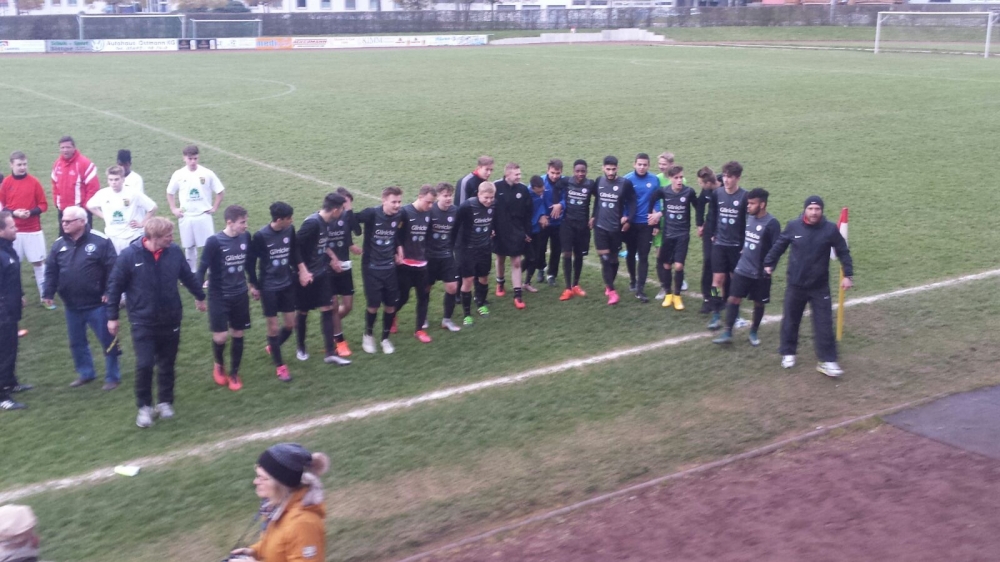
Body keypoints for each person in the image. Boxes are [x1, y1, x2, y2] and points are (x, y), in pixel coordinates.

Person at [106, 217, 207, 428]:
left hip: (171, 317)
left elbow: (187, 276)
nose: (172, 238)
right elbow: (115, 287)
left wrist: (200, 296)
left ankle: (164, 402)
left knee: (167, 363)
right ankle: (144, 407)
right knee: (144, 364)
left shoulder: (174, 252)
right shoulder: (129, 256)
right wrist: (112, 316)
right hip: (142, 320)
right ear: (153, 237)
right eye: (168, 236)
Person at [764, 196, 854, 378]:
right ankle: (788, 353)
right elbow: (780, 245)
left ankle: (828, 360)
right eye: (811, 209)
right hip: (795, 284)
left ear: (821, 211)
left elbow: (843, 251)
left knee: (824, 323)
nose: (814, 212)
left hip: (819, 287)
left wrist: (848, 275)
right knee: (790, 320)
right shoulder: (793, 226)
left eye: (817, 209)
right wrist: (769, 263)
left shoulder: (830, 229)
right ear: (805, 210)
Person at [42, 206, 121, 390]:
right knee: (76, 342)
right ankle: (86, 373)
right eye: (63, 220)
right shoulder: (59, 244)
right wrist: (48, 292)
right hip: (71, 304)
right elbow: (51, 270)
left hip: (97, 304)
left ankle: (112, 376)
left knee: (108, 340)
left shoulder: (101, 241)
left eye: (68, 221)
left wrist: (109, 292)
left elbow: (114, 270)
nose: (64, 224)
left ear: (82, 222)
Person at [228, 443, 329, 562]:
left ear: (280, 484)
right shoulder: (277, 508)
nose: (255, 482)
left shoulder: (303, 524)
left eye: (262, 478)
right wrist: (254, 552)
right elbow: (278, 546)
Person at [249, 202, 313, 382]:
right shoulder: (261, 236)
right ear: (279, 220)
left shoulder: (289, 230)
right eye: (289, 218)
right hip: (269, 286)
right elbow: (250, 263)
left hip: (286, 283)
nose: (292, 220)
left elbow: (294, 251)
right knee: (273, 327)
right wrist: (254, 285)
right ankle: (280, 367)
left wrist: (303, 270)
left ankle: (273, 346)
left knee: (290, 324)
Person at [713, 188, 781, 346]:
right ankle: (724, 325)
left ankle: (753, 331)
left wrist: (770, 267)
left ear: (762, 205)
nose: (748, 206)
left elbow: (777, 248)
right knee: (730, 296)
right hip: (742, 268)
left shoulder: (772, 224)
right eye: (748, 203)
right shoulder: (748, 218)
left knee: (759, 303)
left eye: (752, 203)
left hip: (759, 272)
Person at [198, 205, 253, 392]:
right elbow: (201, 268)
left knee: (238, 333)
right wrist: (199, 296)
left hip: (240, 294)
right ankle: (219, 364)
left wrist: (253, 284)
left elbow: (249, 264)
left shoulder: (246, 237)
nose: (245, 225)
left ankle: (234, 373)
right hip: (218, 295)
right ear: (230, 222)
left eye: (245, 221)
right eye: (242, 222)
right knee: (221, 337)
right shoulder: (214, 241)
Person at [294, 193, 351, 366]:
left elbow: (322, 244)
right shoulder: (312, 223)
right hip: (307, 276)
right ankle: (301, 347)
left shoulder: (327, 221)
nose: (343, 212)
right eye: (342, 209)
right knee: (303, 312)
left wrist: (333, 258)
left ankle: (330, 353)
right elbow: (295, 247)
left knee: (328, 308)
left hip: (322, 273)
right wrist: (302, 271)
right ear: (335, 210)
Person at [355, 186, 404, 354]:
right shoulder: (371, 213)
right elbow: (352, 219)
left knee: (391, 305)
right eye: (393, 202)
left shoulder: (399, 215)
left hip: (390, 267)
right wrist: (350, 243)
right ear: (384, 200)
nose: (397, 205)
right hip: (371, 268)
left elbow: (395, 234)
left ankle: (385, 338)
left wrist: (399, 249)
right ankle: (368, 335)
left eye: (399, 202)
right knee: (373, 305)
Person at [0, 151, 52, 310]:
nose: (22, 167)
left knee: (38, 263)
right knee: (13, 265)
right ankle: (16, 298)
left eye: (24, 164)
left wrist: (31, 212)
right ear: (11, 165)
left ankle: (45, 297)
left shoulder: (34, 182)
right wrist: (14, 213)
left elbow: (43, 205)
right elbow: (2, 207)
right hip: (13, 233)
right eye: (19, 165)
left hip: (33, 230)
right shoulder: (6, 183)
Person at [166, 144, 225, 275]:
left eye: (195, 158)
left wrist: (214, 207)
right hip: (186, 216)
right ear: (184, 158)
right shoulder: (178, 174)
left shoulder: (207, 173)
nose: (193, 161)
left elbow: (220, 191)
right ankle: (191, 273)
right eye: (190, 158)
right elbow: (170, 192)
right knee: (189, 246)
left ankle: (211, 273)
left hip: (203, 215)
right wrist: (173, 208)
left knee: (209, 246)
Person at [706, 161, 749, 330]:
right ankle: (716, 313)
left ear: (738, 178)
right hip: (719, 245)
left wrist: (745, 243)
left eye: (730, 177)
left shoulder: (744, 197)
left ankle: (735, 315)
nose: (726, 180)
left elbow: (748, 222)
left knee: (735, 282)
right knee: (717, 280)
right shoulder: (717, 194)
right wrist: (712, 233)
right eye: (724, 176)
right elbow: (712, 215)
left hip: (737, 246)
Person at [589, 156, 636, 306]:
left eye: (613, 169)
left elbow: (633, 201)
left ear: (617, 168)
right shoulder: (599, 182)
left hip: (616, 229)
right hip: (600, 227)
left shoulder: (625, 184)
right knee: (605, 259)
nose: (610, 172)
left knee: (614, 260)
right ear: (603, 168)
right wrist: (593, 216)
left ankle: (609, 284)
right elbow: (598, 200)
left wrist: (628, 219)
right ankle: (612, 291)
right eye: (608, 169)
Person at [648, 165, 697, 310]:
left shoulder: (689, 192)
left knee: (679, 265)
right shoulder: (664, 191)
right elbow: (652, 199)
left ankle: (677, 296)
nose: (679, 180)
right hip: (668, 234)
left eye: (681, 177)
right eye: (676, 178)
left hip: (683, 234)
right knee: (666, 265)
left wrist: (701, 223)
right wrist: (654, 217)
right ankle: (668, 294)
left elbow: (698, 206)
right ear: (670, 178)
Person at [395, 184, 436, 343]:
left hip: (422, 264)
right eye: (428, 202)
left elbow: (428, 235)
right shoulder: (404, 212)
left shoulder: (428, 214)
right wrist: (397, 253)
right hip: (405, 264)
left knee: (423, 296)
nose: (430, 205)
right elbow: (395, 235)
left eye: (432, 202)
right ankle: (392, 314)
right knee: (403, 297)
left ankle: (419, 330)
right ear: (420, 197)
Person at [86, 165, 157, 254]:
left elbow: (152, 207)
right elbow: (90, 205)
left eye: (116, 179)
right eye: (111, 180)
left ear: (123, 179)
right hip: (112, 236)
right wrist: (104, 216)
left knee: (131, 261)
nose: (113, 182)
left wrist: (142, 223)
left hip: (131, 236)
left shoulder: (133, 193)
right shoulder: (103, 194)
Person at [491, 163, 533, 310]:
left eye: (519, 174)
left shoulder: (523, 189)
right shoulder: (495, 187)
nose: (519, 177)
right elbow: (489, 209)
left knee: (516, 262)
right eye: (516, 174)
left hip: (517, 232)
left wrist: (527, 232)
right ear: (507, 174)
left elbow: (528, 212)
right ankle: (500, 283)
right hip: (499, 231)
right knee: (500, 258)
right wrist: (491, 228)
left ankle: (518, 295)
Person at [454, 181, 496, 325]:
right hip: (467, 249)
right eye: (486, 198)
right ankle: (467, 314)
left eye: (491, 198)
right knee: (468, 280)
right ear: (479, 194)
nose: (489, 201)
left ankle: (480, 304)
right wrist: (454, 246)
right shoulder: (467, 206)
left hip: (484, 248)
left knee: (483, 277)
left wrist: (491, 230)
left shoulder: (494, 205)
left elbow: (493, 221)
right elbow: (456, 226)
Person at [0, 211, 30, 411]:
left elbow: (11, 278)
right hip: (3, 314)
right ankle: (2, 397)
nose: (16, 229)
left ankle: (10, 382)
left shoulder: (7, 249)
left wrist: (20, 295)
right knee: (3, 353)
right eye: (12, 227)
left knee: (11, 349)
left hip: (10, 310)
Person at [622, 153, 661, 303]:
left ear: (648, 165)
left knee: (643, 256)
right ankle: (633, 280)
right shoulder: (627, 179)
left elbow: (657, 200)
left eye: (645, 165)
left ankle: (640, 289)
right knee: (631, 253)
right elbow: (623, 201)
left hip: (646, 224)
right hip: (631, 224)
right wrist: (625, 218)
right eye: (639, 164)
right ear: (634, 164)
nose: (642, 167)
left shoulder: (654, 179)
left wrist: (656, 221)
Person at [426, 182, 462, 332]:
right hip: (429, 256)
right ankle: (423, 317)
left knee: (453, 287)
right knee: (426, 288)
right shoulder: (430, 211)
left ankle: (447, 320)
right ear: (437, 197)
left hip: (446, 255)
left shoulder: (455, 211)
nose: (448, 198)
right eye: (445, 195)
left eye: (450, 195)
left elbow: (456, 232)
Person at [329, 187, 361, 358]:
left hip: (345, 266)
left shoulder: (346, 216)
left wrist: (350, 245)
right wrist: (331, 260)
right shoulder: (323, 218)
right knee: (334, 305)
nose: (345, 205)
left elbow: (357, 231)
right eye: (344, 202)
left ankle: (330, 325)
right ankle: (340, 341)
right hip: (328, 268)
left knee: (347, 306)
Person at [557, 159, 595, 301]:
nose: (580, 174)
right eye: (578, 171)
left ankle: (575, 285)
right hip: (567, 224)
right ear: (573, 171)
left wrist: (594, 216)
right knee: (567, 254)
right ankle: (568, 288)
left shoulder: (590, 184)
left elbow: (599, 199)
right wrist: (557, 204)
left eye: (583, 171)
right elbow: (554, 188)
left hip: (582, 226)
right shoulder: (566, 181)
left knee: (579, 255)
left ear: (586, 171)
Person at [50, 136, 99, 237]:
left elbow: (93, 188)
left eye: (68, 147)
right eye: (62, 147)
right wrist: (57, 203)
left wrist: (84, 208)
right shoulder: (57, 164)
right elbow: (54, 185)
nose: (65, 150)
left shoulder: (85, 164)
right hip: (64, 212)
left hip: (80, 213)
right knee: (65, 240)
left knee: (84, 240)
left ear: (74, 148)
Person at [694, 167, 720, 314]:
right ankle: (708, 298)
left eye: (701, 183)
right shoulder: (706, 192)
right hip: (710, 230)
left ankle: (720, 297)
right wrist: (699, 224)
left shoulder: (724, 188)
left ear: (709, 183)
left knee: (721, 267)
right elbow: (699, 205)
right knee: (709, 263)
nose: (700, 185)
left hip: (724, 232)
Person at [537, 159, 565, 287]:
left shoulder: (565, 183)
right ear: (547, 171)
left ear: (561, 172)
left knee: (556, 249)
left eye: (557, 173)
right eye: (552, 173)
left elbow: (569, 197)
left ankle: (552, 274)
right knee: (540, 247)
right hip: (544, 222)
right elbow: (534, 198)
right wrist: (542, 215)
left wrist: (561, 205)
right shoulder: (541, 182)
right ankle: (541, 268)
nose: (554, 176)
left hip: (559, 223)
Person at [523, 175, 548, 293]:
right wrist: (523, 232)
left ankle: (527, 283)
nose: (541, 193)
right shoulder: (526, 196)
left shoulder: (540, 192)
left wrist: (543, 215)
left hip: (537, 230)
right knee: (530, 258)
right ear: (533, 188)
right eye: (539, 191)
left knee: (535, 258)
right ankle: (517, 277)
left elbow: (541, 205)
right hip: (527, 232)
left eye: (543, 189)